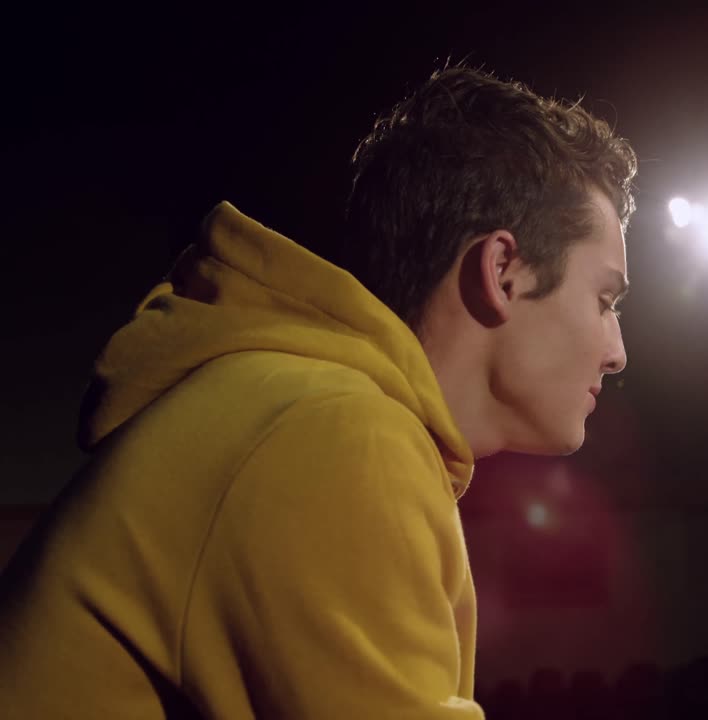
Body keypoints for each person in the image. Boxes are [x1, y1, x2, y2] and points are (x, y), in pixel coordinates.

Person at [0, 65, 637, 718]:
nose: (616, 353)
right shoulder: (339, 437)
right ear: (503, 272)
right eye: (604, 300)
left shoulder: (311, 410)